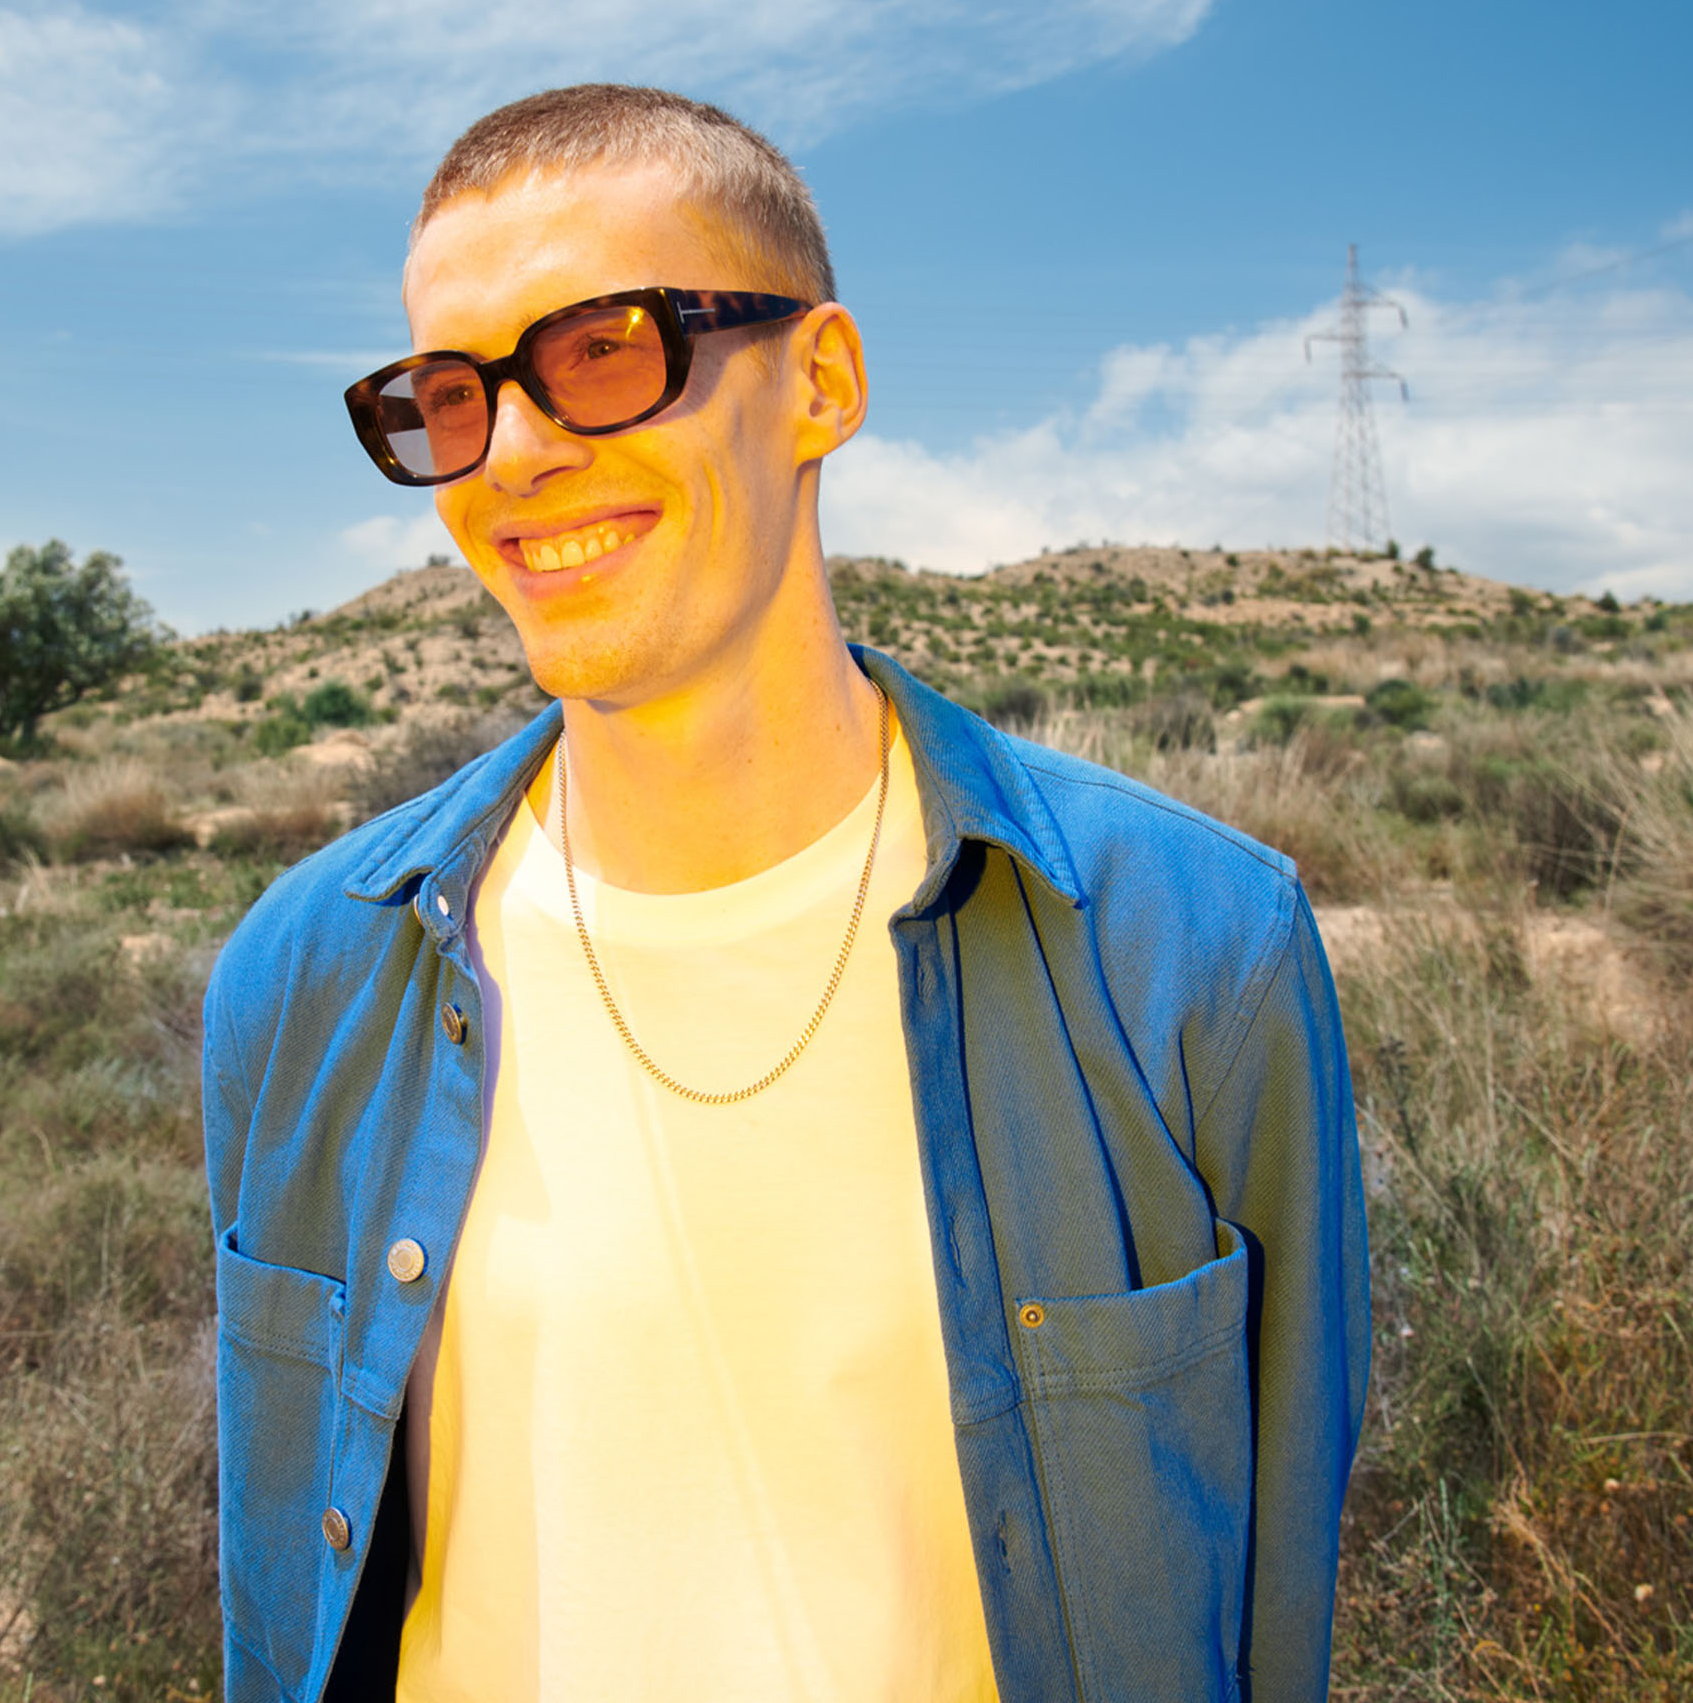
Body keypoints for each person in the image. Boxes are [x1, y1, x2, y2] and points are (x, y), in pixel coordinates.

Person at [202, 84, 1369, 1703]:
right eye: (450, 398)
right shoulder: (303, 978)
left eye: (604, 350)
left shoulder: (1192, 953)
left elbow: (1274, 1591)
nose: (515, 456)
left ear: (820, 381)